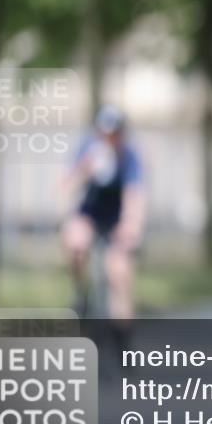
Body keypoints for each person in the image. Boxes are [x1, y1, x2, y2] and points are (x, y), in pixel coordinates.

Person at [61, 105, 145, 326]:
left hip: (115, 218)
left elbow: (134, 195)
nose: (109, 139)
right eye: (104, 133)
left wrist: (130, 225)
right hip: (90, 213)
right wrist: (84, 170)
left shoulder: (129, 157)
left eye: (114, 134)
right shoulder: (87, 150)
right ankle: (82, 293)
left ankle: (122, 339)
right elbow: (66, 186)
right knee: (76, 242)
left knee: (119, 273)